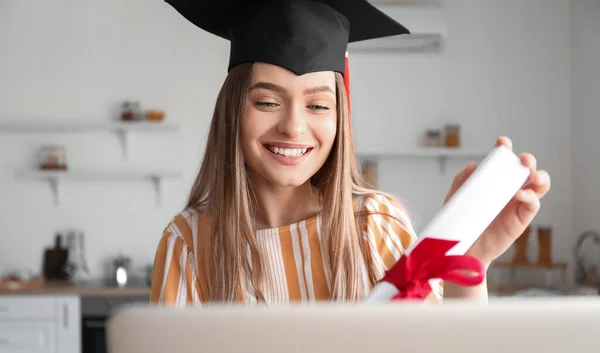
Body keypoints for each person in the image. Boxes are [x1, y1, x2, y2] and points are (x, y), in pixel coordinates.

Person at [150, 0, 550, 306]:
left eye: (318, 105)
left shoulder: (376, 227)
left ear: (340, 117)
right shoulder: (188, 244)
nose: (293, 126)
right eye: (267, 102)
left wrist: (470, 260)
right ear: (233, 111)